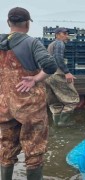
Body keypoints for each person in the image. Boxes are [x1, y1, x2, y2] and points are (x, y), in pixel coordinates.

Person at [0, 7, 58, 180]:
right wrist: (35, 79)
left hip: (4, 105)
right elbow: (50, 66)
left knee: (6, 146)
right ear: (27, 24)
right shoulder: (31, 42)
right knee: (34, 149)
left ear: (9, 22)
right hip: (29, 107)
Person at [45, 27, 80, 126]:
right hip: (57, 74)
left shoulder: (51, 45)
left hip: (48, 76)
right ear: (57, 35)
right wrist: (67, 72)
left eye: (67, 33)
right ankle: (63, 122)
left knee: (55, 102)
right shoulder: (59, 43)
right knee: (73, 99)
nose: (66, 35)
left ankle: (57, 124)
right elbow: (58, 58)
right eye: (63, 33)